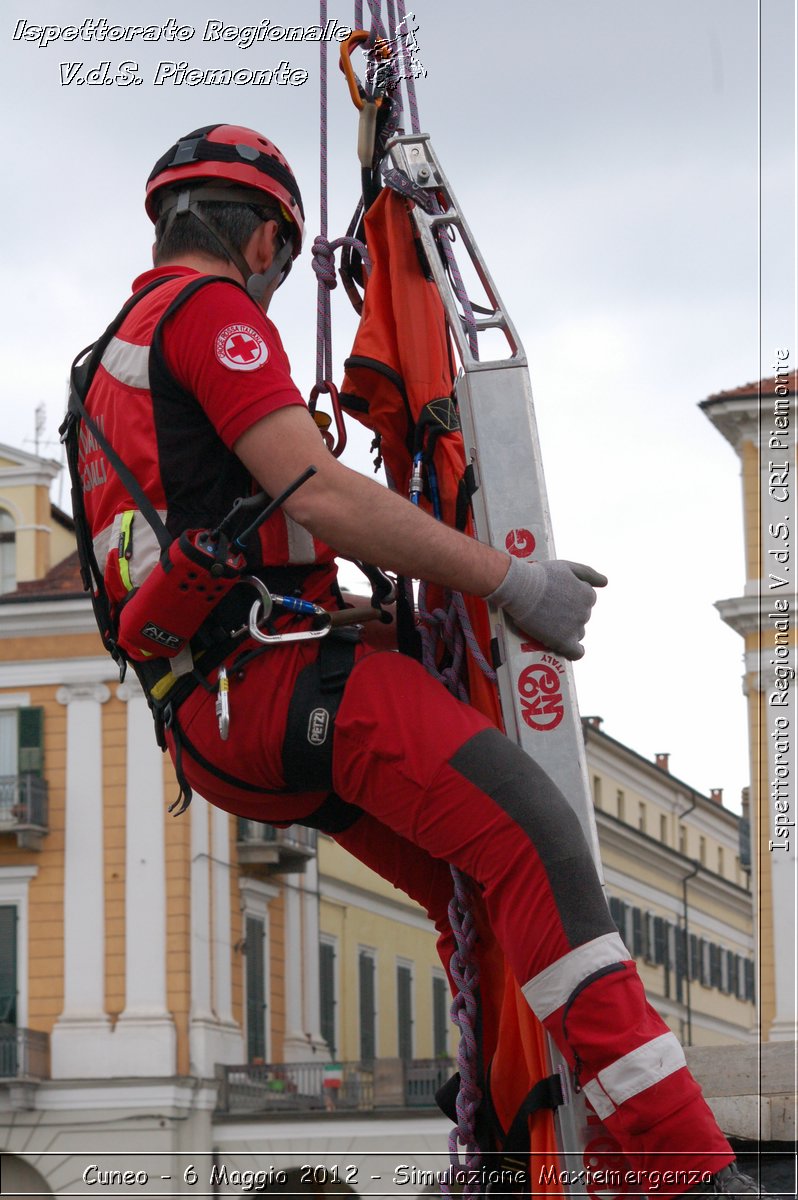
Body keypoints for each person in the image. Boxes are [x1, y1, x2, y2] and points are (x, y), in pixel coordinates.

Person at [72, 124, 762, 1197]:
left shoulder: (104, 363)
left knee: (470, 892)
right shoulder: (208, 319)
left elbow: (218, 546)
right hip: (284, 688)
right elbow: (323, 493)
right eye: (284, 267)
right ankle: (689, 1171)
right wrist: (508, 582)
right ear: (263, 248)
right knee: (538, 840)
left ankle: (491, 1138)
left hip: (213, 725)